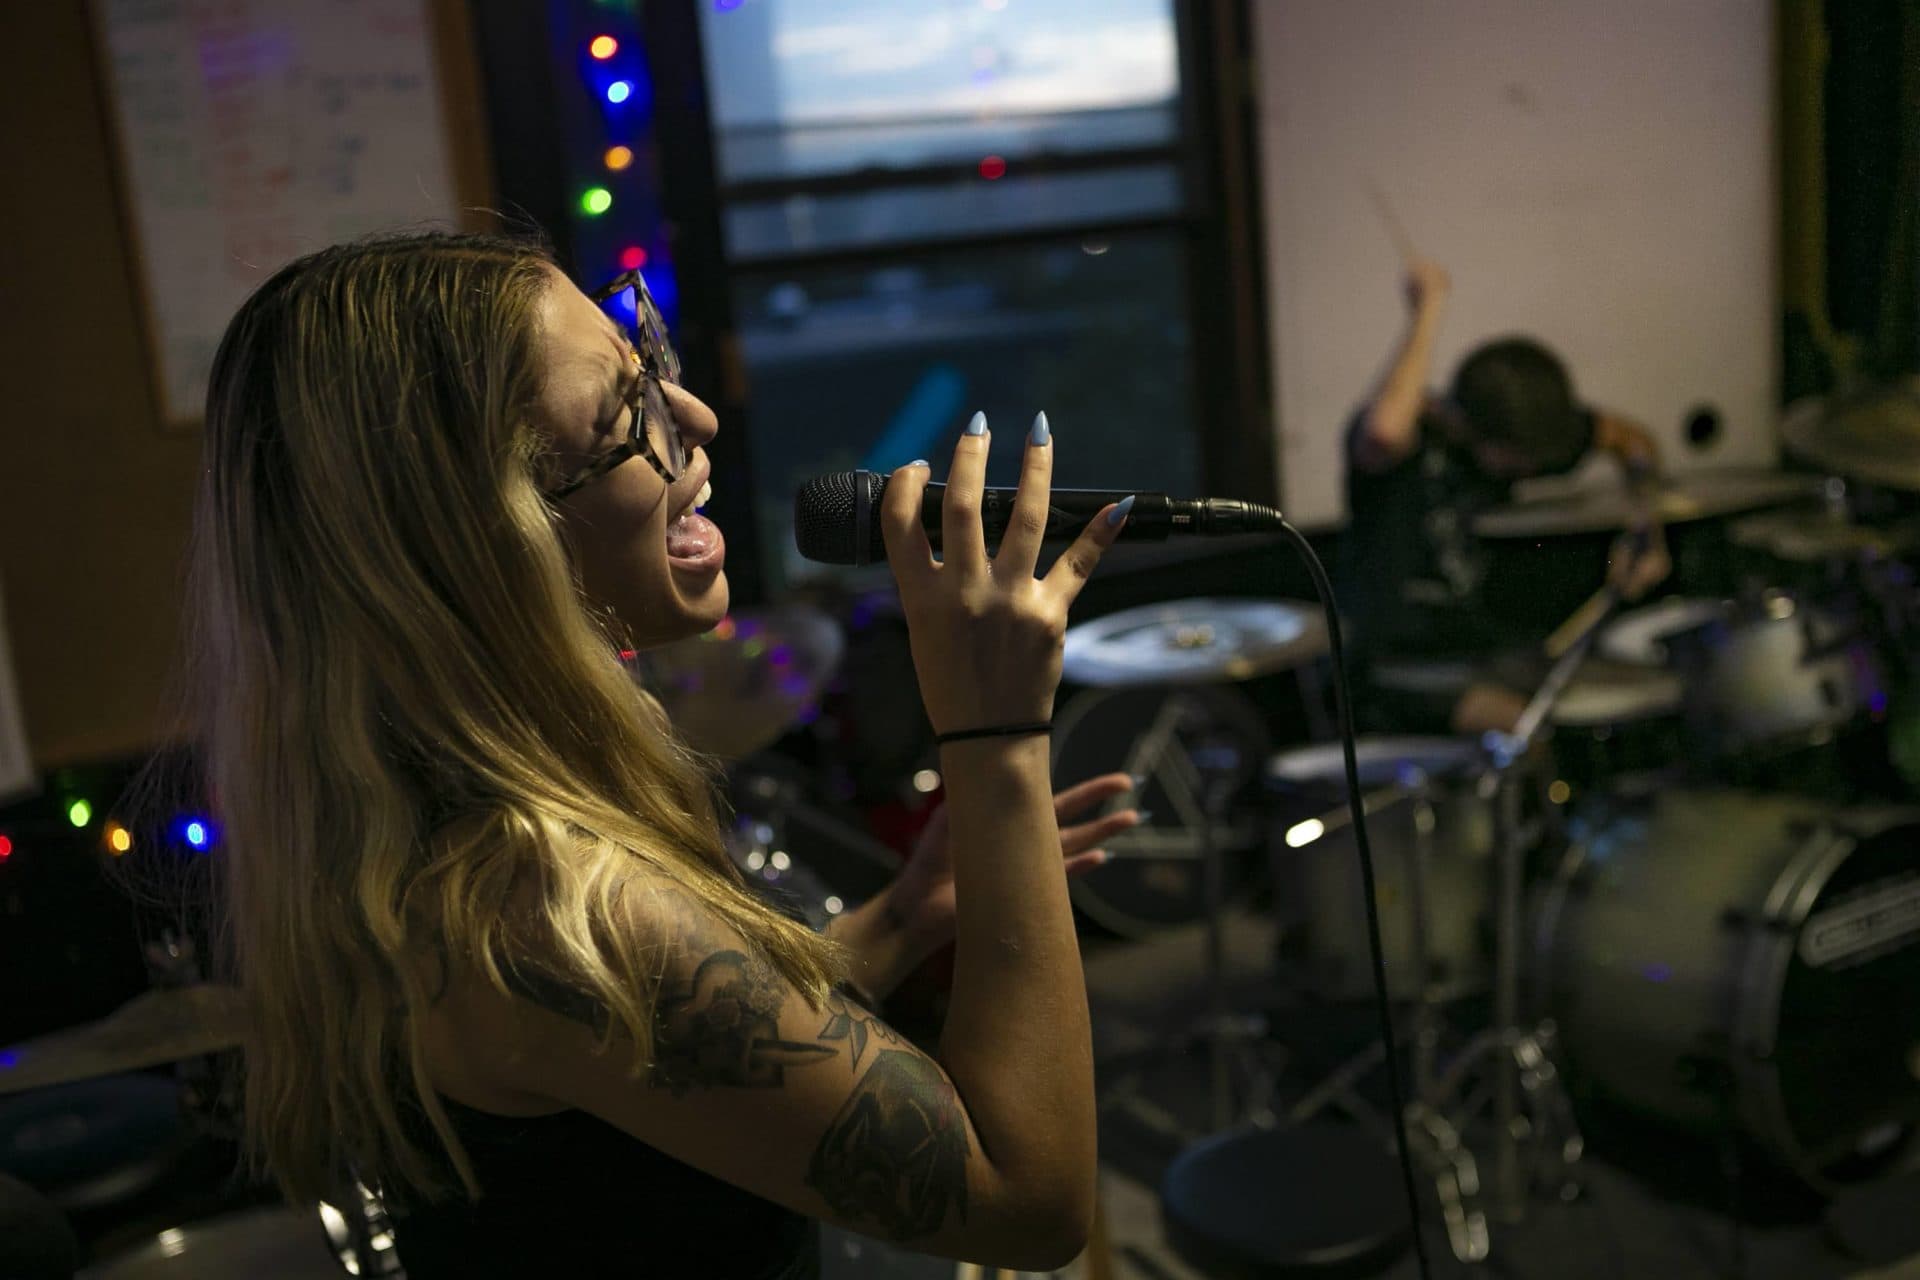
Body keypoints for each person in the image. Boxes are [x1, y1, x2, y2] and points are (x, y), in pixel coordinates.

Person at [180, 231, 1139, 1277]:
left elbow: (685, 1060)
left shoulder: (431, 821)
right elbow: (1031, 1197)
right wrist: (995, 735)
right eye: (619, 414)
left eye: (652, 372)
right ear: (483, 533)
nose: (695, 420)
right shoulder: (543, 903)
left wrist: (905, 915)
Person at [1341, 259, 1671, 735]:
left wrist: (1646, 534)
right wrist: (1428, 307)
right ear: (1474, 430)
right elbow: (1383, 430)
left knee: (1625, 695)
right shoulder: (1408, 440)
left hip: (1478, 647)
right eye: (1520, 459)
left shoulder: (1523, 434)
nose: (1530, 470)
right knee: (1524, 729)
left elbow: (1633, 443)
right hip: (1394, 670)